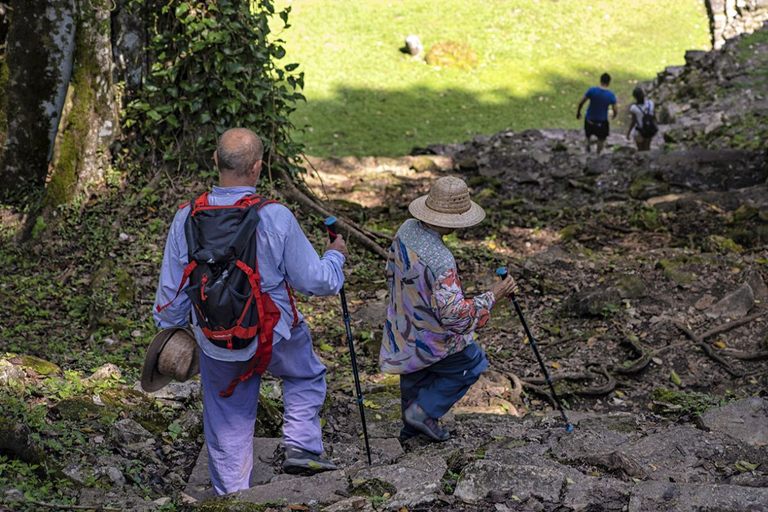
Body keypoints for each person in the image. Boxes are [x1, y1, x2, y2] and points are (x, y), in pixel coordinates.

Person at [153, 128, 348, 495]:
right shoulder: (275, 217)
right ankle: (302, 447)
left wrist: (173, 332)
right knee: (305, 375)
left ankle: (232, 495)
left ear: (215, 160)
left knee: (227, 413)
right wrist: (336, 256)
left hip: (215, 336)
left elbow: (171, 291)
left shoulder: (186, 217)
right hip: (273, 334)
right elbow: (316, 282)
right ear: (258, 168)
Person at [380, 176, 518, 442]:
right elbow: (454, 316)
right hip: (433, 336)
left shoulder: (406, 229)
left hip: (404, 323)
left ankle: (411, 432)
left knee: (414, 374)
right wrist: (493, 294)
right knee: (472, 362)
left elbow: (391, 270)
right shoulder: (441, 260)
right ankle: (422, 412)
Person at [576, 73, 618, 155]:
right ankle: (598, 153)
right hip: (601, 121)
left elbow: (581, 102)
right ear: (609, 82)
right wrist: (614, 116)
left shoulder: (592, 91)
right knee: (601, 139)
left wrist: (578, 112)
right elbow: (615, 109)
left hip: (589, 119)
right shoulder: (610, 95)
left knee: (588, 135)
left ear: (600, 80)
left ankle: (587, 146)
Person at [626, 87, 656, 151]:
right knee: (647, 148)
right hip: (649, 129)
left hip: (639, 131)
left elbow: (633, 121)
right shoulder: (651, 103)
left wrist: (628, 133)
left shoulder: (634, 108)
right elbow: (654, 116)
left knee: (640, 150)